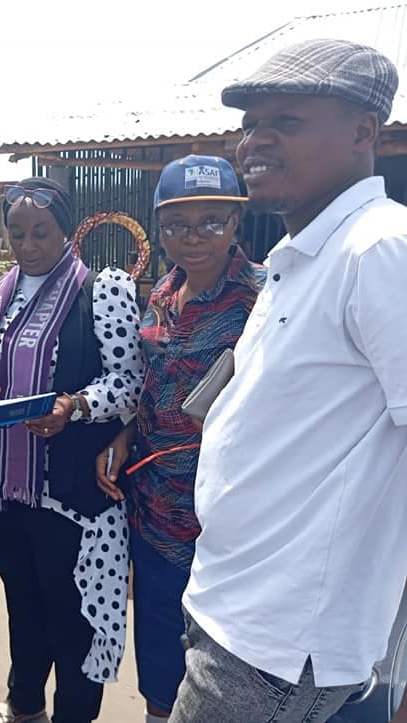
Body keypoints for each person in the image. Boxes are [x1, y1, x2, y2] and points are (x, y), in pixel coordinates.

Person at [169, 40, 407, 723]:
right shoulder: (304, 255)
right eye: (249, 124)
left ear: (366, 131)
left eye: (287, 121)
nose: (254, 142)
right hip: (236, 612)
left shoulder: (379, 249)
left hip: (277, 647)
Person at [0, 177, 144, 723]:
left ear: (66, 231)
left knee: (72, 621)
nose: (28, 245)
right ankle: (25, 706)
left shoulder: (101, 290)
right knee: (23, 603)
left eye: (41, 232)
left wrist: (74, 407)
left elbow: (130, 382)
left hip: (66, 493)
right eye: (17, 233)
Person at [94, 155, 263, 723]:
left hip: (231, 518)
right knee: (161, 632)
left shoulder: (268, 300)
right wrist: (122, 433)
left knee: (225, 655)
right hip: (156, 509)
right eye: (177, 226)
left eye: (211, 221)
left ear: (236, 222)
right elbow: (147, 383)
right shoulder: (161, 295)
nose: (193, 239)